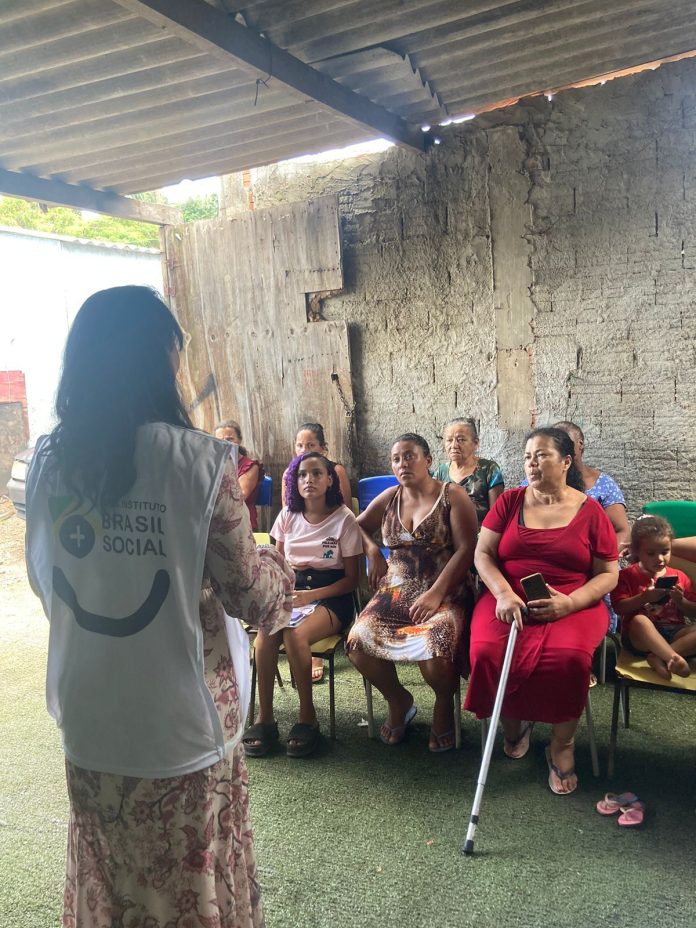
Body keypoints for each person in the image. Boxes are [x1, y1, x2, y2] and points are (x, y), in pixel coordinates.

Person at [24, 286, 293, 928]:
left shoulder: (49, 460)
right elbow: (251, 594)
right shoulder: (198, 464)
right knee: (190, 886)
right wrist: (279, 562)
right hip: (181, 722)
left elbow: (44, 580)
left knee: (111, 873)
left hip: (90, 710)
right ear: (157, 361)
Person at [465, 427, 618, 794]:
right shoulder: (509, 502)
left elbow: (608, 575)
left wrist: (569, 603)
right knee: (489, 650)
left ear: (566, 462)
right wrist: (502, 593)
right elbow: (482, 554)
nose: (532, 463)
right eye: (527, 457)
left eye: (542, 455)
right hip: (510, 597)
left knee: (567, 658)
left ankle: (561, 744)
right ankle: (515, 724)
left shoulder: (591, 510)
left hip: (573, 601)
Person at [347, 434, 478, 753]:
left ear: (429, 461)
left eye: (409, 456)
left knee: (435, 643)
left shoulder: (452, 495)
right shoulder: (390, 497)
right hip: (395, 591)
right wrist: (373, 551)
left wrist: (435, 594)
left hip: (445, 589)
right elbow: (356, 525)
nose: (402, 464)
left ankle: (443, 704)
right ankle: (399, 700)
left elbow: (467, 549)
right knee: (358, 641)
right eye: (396, 458)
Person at [243, 451, 362, 758]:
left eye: (316, 473)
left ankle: (308, 717)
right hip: (291, 592)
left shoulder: (344, 519)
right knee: (267, 633)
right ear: (295, 482)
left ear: (330, 479)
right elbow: (277, 564)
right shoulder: (287, 516)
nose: (309, 480)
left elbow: (352, 580)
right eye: (302, 475)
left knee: (295, 635)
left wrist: (310, 597)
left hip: (332, 597)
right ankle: (265, 719)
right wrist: (282, 596)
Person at [281, 422, 352, 682]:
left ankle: (313, 655)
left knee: (300, 630)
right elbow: (287, 516)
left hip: (330, 556)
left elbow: (341, 507)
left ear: (323, 447)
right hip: (298, 567)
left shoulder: (336, 472)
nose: (303, 450)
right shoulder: (290, 476)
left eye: (310, 445)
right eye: (299, 445)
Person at [611, 515, 696, 679]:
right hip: (640, 638)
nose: (659, 559)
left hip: (674, 632)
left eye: (665, 552)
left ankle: (660, 657)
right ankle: (672, 657)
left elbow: (693, 612)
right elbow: (619, 607)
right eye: (651, 553)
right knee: (640, 621)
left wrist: (681, 602)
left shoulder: (679, 575)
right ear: (636, 551)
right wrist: (644, 597)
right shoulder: (627, 576)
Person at [434, 417, 504, 525]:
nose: (454, 446)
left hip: (480, 537)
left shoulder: (489, 469)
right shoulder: (441, 472)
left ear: (475, 443)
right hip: (447, 538)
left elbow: (496, 515)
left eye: (461, 440)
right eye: (449, 440)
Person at [215, 418, 264, 530]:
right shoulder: (213, 465)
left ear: (239, 440)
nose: (225, 443)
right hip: (218, 518)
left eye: (230, 439)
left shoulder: (250, 466)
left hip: (242, 521)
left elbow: (238, 497)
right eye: (220, 440)